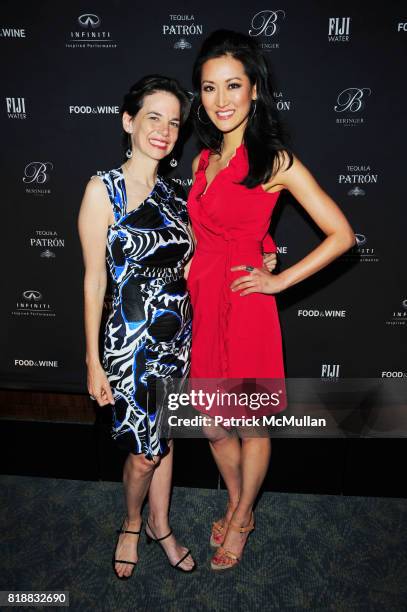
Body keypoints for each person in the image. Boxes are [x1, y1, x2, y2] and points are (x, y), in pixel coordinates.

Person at [187, 30, 356, 571]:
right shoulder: (201, 160)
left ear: (255, 89)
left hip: (246, 303)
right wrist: (258, 247)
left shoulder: (275, 161)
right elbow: (215, 228)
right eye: (210, 88)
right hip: (203, 303)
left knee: (251, 423)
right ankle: (240, 501)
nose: (222, 100)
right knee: (214, 424)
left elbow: (341, 234)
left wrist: (279, 281)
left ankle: (240, 513)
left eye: (234, 85)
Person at [78, 75, 196, 578]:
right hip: (131, 344)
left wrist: (262, 256)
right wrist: (92, 360)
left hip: (178, 337)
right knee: (145, 454)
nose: (165, 130)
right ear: (128, 121)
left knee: (164, 438)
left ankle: (161, 524)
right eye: (154, 117)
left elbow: (194, 264)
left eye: (174, 122)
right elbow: (93, 280)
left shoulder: (176, 192)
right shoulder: (102, 189)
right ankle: (132, 522)